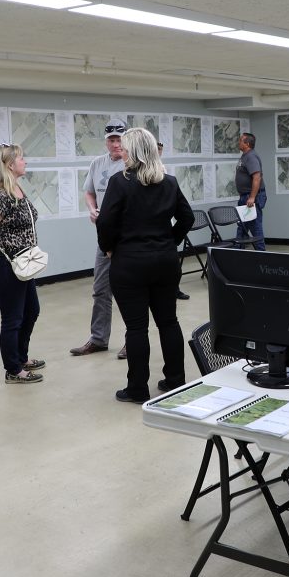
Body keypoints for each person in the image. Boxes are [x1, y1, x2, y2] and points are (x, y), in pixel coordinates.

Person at [96, 128, 194, 403]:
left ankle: (138, 388)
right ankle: (175, 380)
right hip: (165, 261)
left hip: (130, 263)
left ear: (135, 152)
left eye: (125, 149)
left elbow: (105, 222)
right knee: (168, 322)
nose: (121, 152)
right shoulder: (170, 183)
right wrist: (169, 241)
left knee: (136, 328)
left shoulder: (120, 182)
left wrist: (109, 248)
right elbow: (186, 218)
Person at [0, 144, 44, 385]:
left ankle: (21, 357)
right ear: (9, 165)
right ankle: (13, 370)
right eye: (21, 159)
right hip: (6, 265)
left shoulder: (16, 188)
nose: (25, 162)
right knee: (13, 319)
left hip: (25, 264)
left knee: (31, 311)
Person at [70, 119, 128, 358]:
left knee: (127, 290)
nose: (115, 144)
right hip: (104, 237)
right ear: (106, 142)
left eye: (119, 139)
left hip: (126, 237)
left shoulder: (132, 164)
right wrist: (92, 209)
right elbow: (89, 191)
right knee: (100, 289)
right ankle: (98, 339)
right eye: (111, 140)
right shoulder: (97, 163)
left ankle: (131, 341)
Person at [158, 139, 190, 300]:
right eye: (157, 149)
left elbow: (186, 217)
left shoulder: (162, 168)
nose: (159, 152)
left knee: (171, 260)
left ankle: (174, 289)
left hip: (165, 222)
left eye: (161, 150)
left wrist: (173, 239)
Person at [235, 132, 266, 250]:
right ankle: (238, 256)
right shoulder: (245, 155)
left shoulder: (251, 156)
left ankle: (262, 256)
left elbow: (256, 177)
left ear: (247, 143)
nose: (238, 142)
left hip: (251, 198)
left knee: (255, 228)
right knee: (242, 228)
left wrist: (252, 197)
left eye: (240, 140)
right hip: (245, 197)